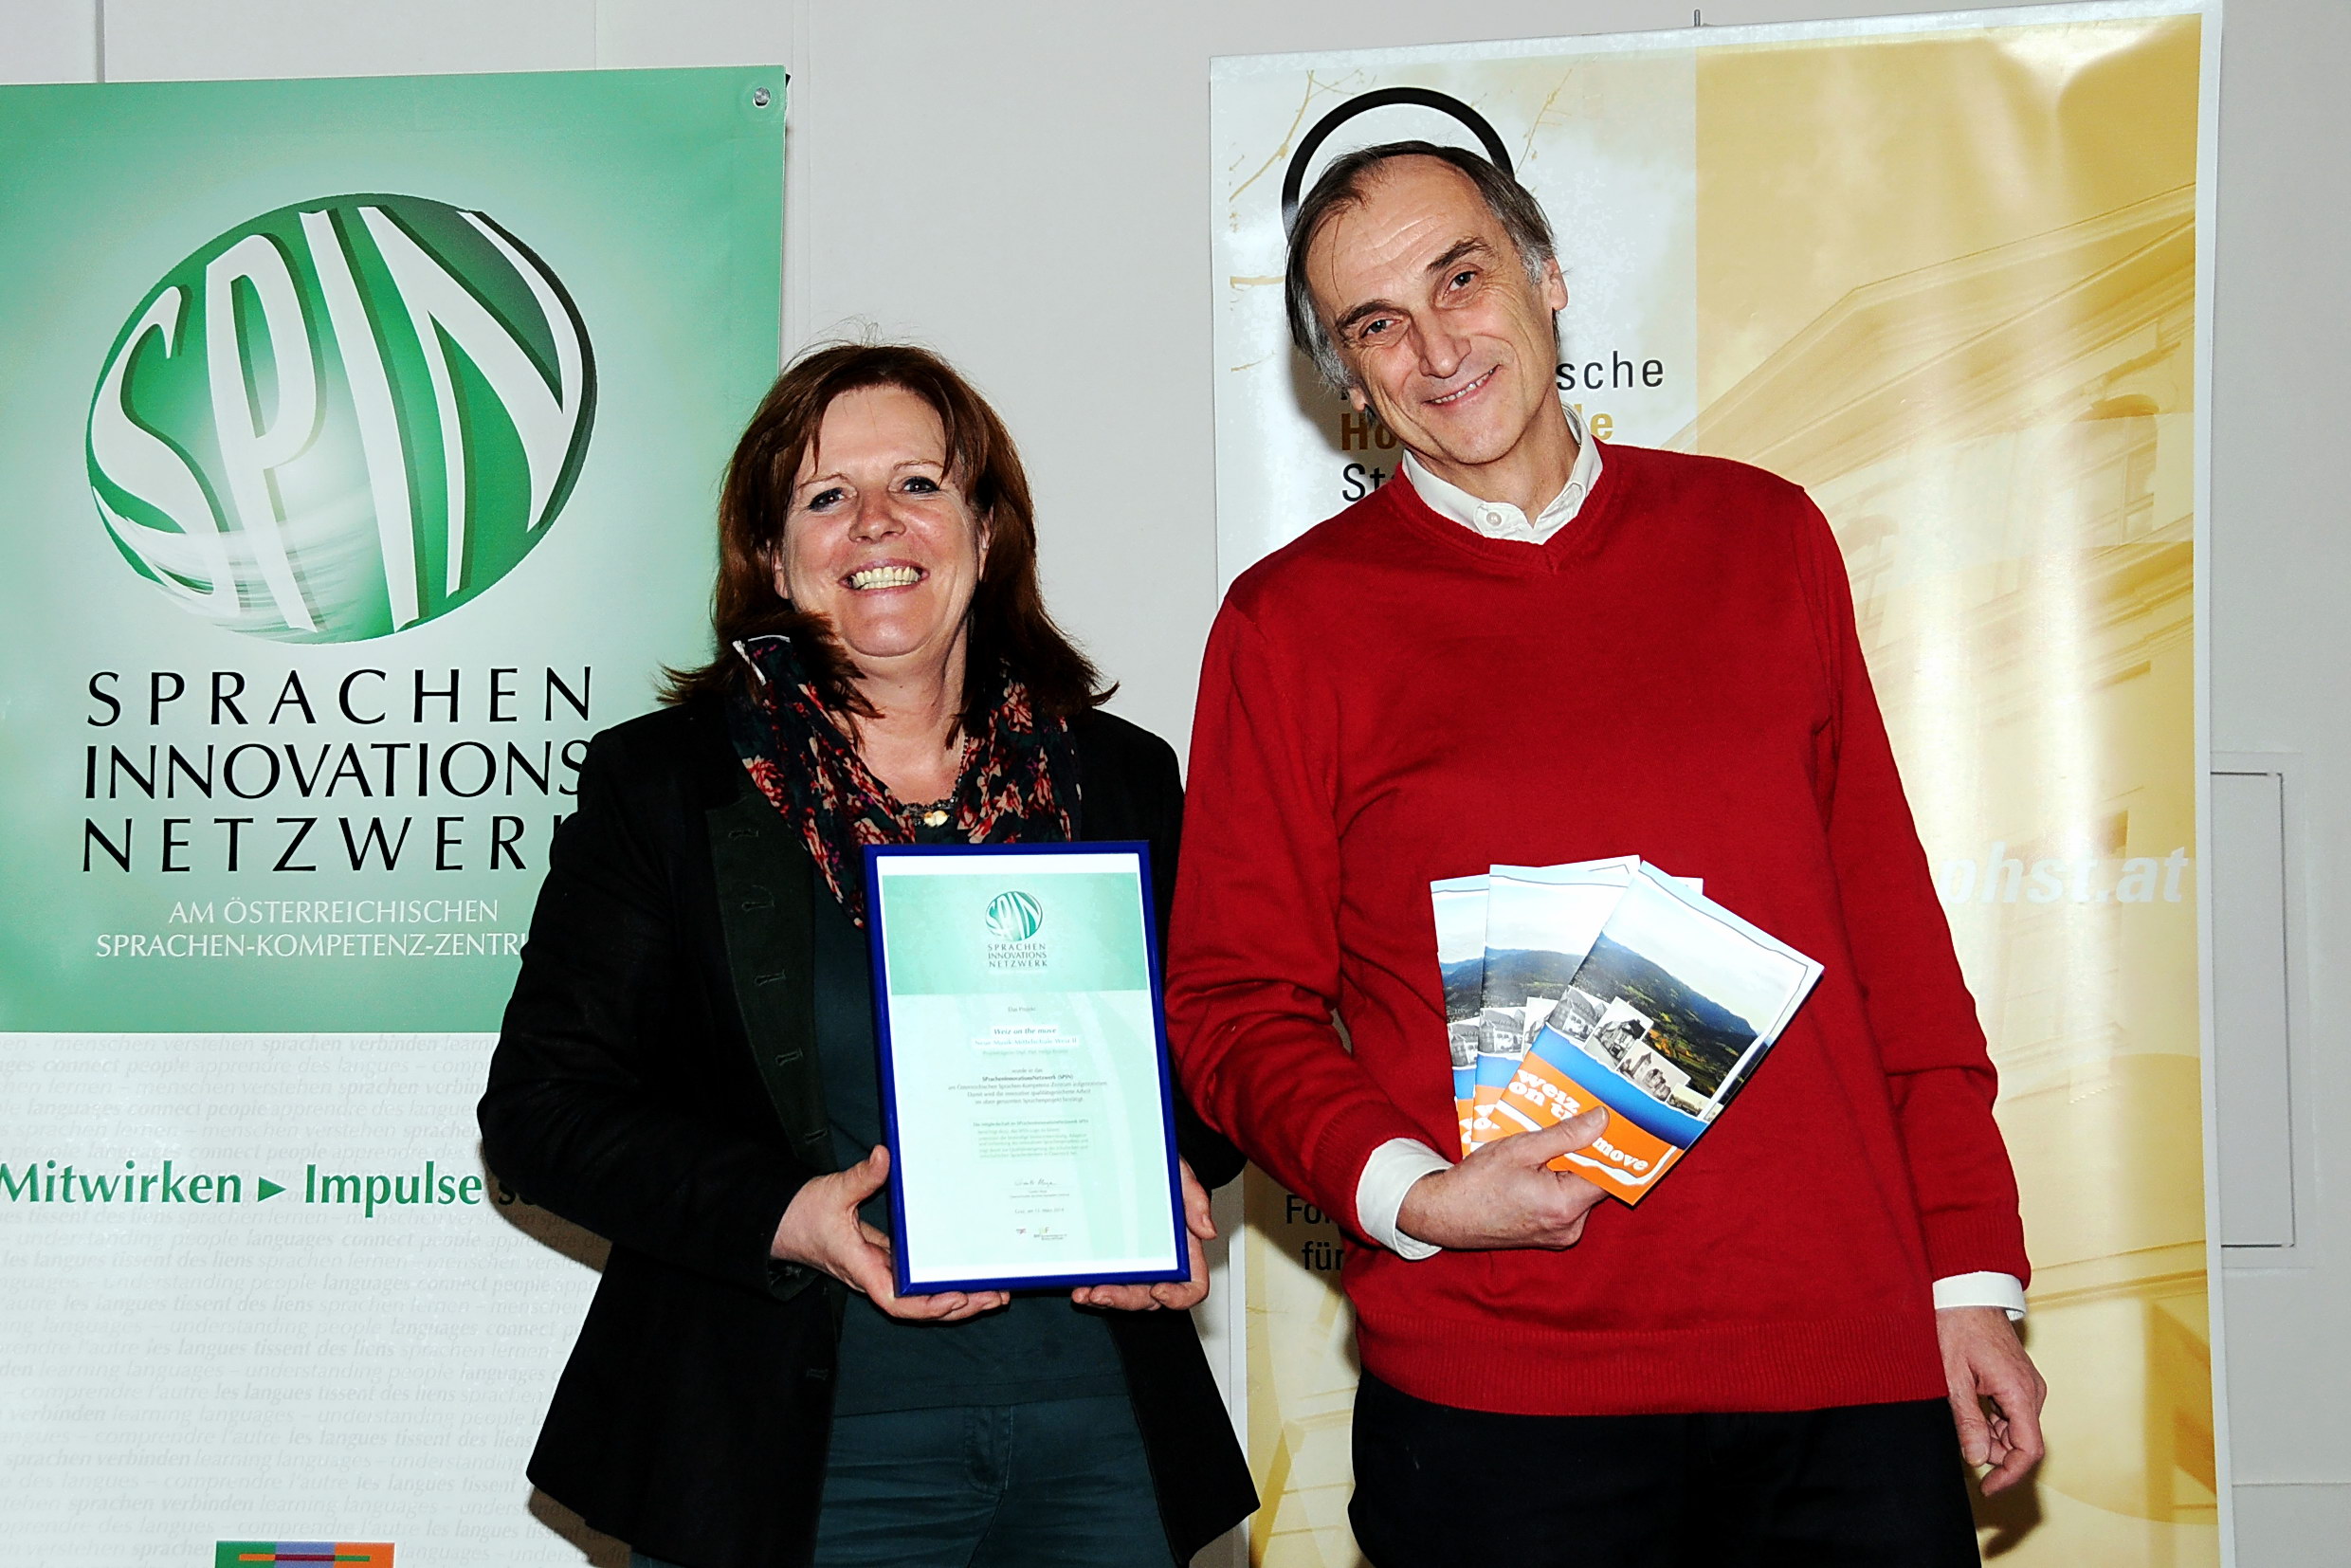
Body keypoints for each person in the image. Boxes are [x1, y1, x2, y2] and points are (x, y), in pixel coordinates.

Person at [1164, 141, 2046, 1566]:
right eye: (1378, 324)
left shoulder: (1764, 536)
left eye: (1461, 278)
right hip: (1499, 1397)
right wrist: (1412, 1193)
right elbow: (1232, 1006)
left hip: (1840, 1366)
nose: (1437, 347)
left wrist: (1970, 1272)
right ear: (1348, 383)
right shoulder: (1289, 625)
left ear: (1548, 276)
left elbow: (1891, 944)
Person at [481, 343, 1254, 1568]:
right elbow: (541, 1112)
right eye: (827, 495)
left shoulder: (1118, 777)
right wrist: (787, 1214)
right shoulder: (666, 787)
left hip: (1099, 1436)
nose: (877, 523)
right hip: (788, 1455)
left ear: (986, 533)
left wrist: (1167, 1173)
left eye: (919, 484)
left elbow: (1221, 1049)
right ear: (771, 555)